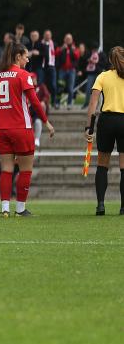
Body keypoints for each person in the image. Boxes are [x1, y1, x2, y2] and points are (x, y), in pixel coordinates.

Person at [0, 43, 55, 217]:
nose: (27, 60)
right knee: (26, 169)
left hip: (2, 128)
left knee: (6, 169)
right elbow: (35, 102)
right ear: (17, 57)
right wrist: (46, 122)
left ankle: (5, 208)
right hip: (21, 127)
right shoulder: (23, 75)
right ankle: (20, 209)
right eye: (26, 56)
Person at [86, 46, 124, 215]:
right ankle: (123, 208)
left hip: (107, 121)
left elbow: (93, 104)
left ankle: (100, 205)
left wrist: (89, 127)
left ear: (109, 60)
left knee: (102, 165)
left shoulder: (103, 76)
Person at [55, 34, 80, 109]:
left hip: (71, 71)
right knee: (60, 87)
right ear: (64, 40)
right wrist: (62, 48)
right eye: (67, 39)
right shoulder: (61, 47)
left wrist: (72, 49)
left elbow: (77, 56)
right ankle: (57, 103)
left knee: (70, 88)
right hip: (62, 70)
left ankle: (69, 104)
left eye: (69, 39)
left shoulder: (74, 48)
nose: (68, 40)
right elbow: (56, 54)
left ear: (72, 40)